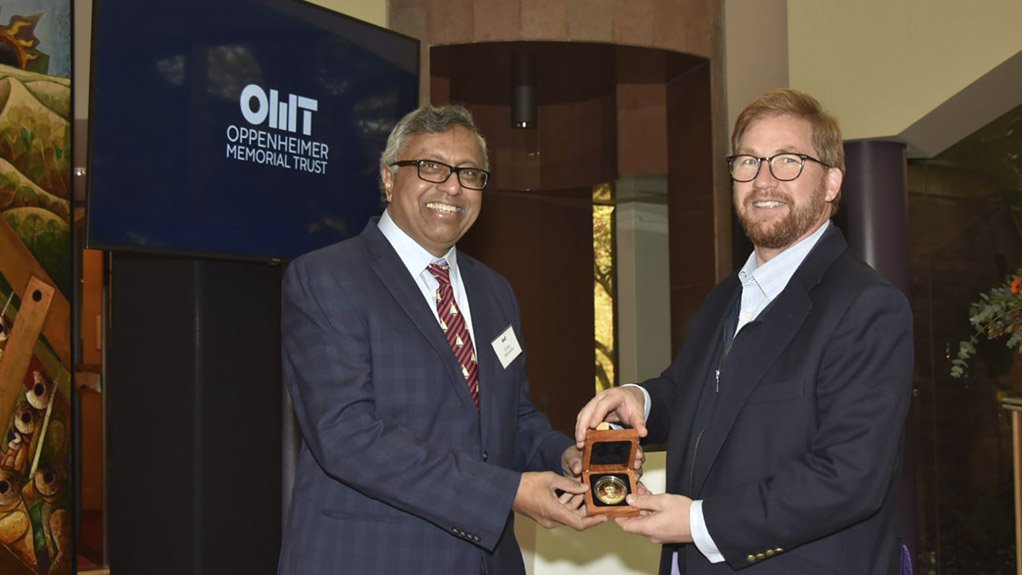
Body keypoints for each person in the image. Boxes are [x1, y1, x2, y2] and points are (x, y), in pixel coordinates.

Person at [575, 88, 914, 574]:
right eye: (748, 161)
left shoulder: (867, 307)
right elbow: (690, 391)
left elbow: (849, 477)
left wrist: (697, 524)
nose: (763, 180)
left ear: (832, 183)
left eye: (787, 161)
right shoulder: (727, 296)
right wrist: (639, 399)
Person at [278, 104, 606, 575]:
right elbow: (346, 435)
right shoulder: (326, 278)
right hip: (369, 557)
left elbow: (512, 417)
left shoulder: (495, 292)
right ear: (389, 178)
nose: (452, 186)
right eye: (431, 167)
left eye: (470, 173)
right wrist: (508, 493)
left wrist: (566, 456)